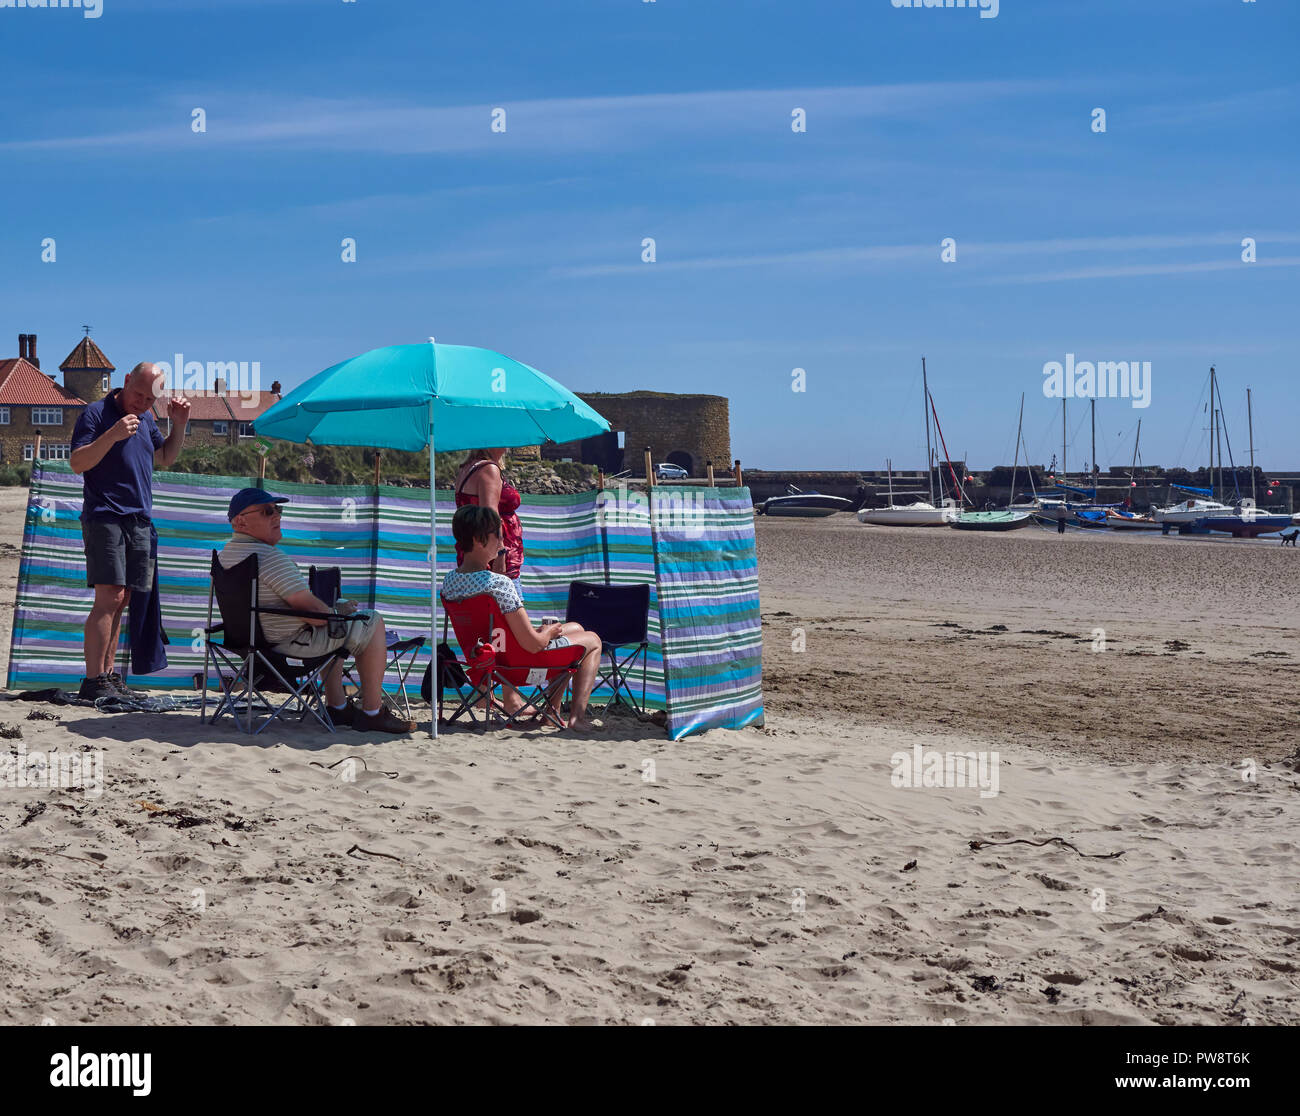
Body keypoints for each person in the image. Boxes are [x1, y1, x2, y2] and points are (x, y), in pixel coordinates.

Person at [217, 488, 415, 734]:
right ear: (240, 521)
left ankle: (338, 707)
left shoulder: (225, 556)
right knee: (370, 621)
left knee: (337, 627)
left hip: (250, 644)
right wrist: (335, 611)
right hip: (287, 644)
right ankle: (373, 712)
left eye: (278, 510)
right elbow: (314, 615)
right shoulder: (268, 557)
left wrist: (333, 613)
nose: (277, 516)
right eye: (268, 511)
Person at [70, 363, 190, 701]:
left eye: (150, 399)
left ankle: (108, 674)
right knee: (108, 596)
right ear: (125, 381)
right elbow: (78, 463)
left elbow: (164, 457)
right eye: (138, 394)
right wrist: (113, 434)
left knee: (122, 600)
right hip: (104, 515)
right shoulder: (95, 413)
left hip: (139, 519)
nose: (142, 403)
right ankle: (93, 680)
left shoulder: (149, 418)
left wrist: (179, 425)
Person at [443, 505, 603, 732]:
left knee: (576, 627)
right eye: (498, 535)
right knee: (593, 641)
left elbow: (497, 630)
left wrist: (545, 633)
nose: (503, 542)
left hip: (488, 661)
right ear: (479, 540)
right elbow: (533, 644)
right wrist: (548, 633)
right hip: (517, 667)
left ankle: (551, 712)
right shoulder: (498, 584)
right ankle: (577, 718)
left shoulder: (449, 582)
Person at [454, 448, 523, 593]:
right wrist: (500, 554)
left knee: (479, 610)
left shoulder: (468, 468)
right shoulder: (488, 469)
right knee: (506, 612)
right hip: (494, 559)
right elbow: (490, 516)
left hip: (475, 555)